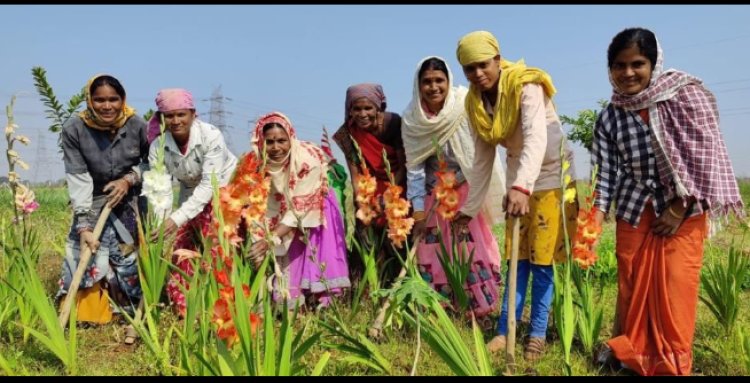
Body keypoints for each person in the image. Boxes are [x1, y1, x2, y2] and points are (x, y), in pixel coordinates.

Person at [592, 27, 744, 376]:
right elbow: (607, 173)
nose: (627, 73)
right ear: (609, 69)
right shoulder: (610, 116)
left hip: (684, 210)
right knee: (630, 284)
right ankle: (631, 355)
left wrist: (680, 207)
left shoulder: (685, 97)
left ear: (654, 63)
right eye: (619, 65)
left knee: (676, 287)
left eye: (637, 64)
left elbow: (707, 156)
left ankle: (672, 363)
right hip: (634, 209)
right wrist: (596, 217)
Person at [453, 31, 577, 361]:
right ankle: (506, 329)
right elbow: (482, 158)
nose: (478, 74)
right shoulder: (476, 102)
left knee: (542, 260)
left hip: (550, 174)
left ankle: (536, 332)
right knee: (516, 258)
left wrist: (522, 187)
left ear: (497, 58)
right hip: (517, 174)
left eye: (482, 65)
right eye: (469, 69)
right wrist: (470, 207)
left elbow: (536, 138)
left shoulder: (526, 85)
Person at [401, 56, 506, 322]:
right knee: (432, 252)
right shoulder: (412, 120)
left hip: (465, 190)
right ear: (418, 84)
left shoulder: (464, 106)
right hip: (432, 195)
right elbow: (414, 167)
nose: (433, 87)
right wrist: (419, 212)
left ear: (448, 81)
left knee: (468, 249)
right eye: (427, 82)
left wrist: (456, 180)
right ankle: (440, 308)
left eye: (439, 80)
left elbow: (478, 152)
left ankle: (476, 307)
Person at [58, 74, 149, 345]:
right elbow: (78, 177)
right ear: (90, 101)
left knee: (128, 256)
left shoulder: (137, 125)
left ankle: (131, 310)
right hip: (93, 196)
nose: (107, 106)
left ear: (123, 100)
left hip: (131, 196)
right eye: (99, 100)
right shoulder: (74, 128)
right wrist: (84, 224)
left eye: (113, 99)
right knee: (87, 251)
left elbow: (152, 163)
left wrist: (128, 179)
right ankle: (89, 314)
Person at [146, 88, 238, 318]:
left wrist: (176, 218)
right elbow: (160, 190)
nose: (176, 121)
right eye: (169, 116)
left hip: (222, 188)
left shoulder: (210, 135)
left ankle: (222, 304)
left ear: (193, 114)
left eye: (181, 114)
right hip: (190, 191)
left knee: (216, 244)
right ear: (162, 119)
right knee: (182, 247)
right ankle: (185, 306)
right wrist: (162, 223)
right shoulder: (158, 147)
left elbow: (210, 184)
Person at [247, 112, 350, 309]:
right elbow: (259, 204)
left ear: (291, 138)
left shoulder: (306, 161)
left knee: (308, 253)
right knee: (281, 254)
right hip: (284, 205)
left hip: (316, 206)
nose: (276, 148)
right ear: (261, 142)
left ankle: (316, 306)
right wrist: (261, 236)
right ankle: (284, 304)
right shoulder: (256, 163)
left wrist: (270, 239)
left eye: (281, 141)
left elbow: (299, 209)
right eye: (269, 142)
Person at [332, 83, 406, 282]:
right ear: (350, 110)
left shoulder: (394, 124)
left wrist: (389, 196)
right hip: (369, 186)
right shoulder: (347, 132)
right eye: (357, 109)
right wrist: (362, 200)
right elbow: (355, 170)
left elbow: (403, 164)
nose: (362, 114)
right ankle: (365, 284)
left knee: (396, 233)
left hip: (397, 184)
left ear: (378, 107)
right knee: (364, 228)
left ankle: (398, 280)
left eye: (368, 108)